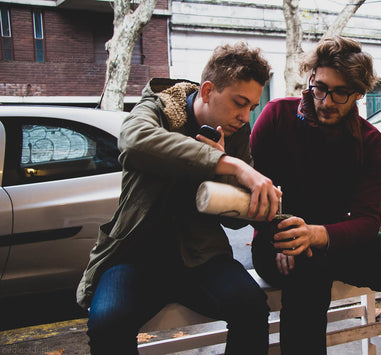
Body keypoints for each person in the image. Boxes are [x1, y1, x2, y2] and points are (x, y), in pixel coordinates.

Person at [76, 42, 282, 355]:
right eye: (239, 102)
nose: (244, 116)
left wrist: (255, 199)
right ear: (208, 90)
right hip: (134, 254)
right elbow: (133, 143)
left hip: (202, 257)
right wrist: (229, 164)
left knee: (253, 309)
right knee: (107, 324)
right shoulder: (156, 108)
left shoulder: (237, 131)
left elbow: (231, 219)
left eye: (251, 107)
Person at [250, 36, 381, 354]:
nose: (325, 101)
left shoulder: (372, 142)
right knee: (309, 273)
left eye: (340, 93)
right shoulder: (277, 116)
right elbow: (254, 188)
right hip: (279, 239)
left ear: (359, 93)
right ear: (311, 79)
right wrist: (281, 236)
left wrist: (315, 234)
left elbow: (367, 221)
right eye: (320, 88)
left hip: (340, 239)